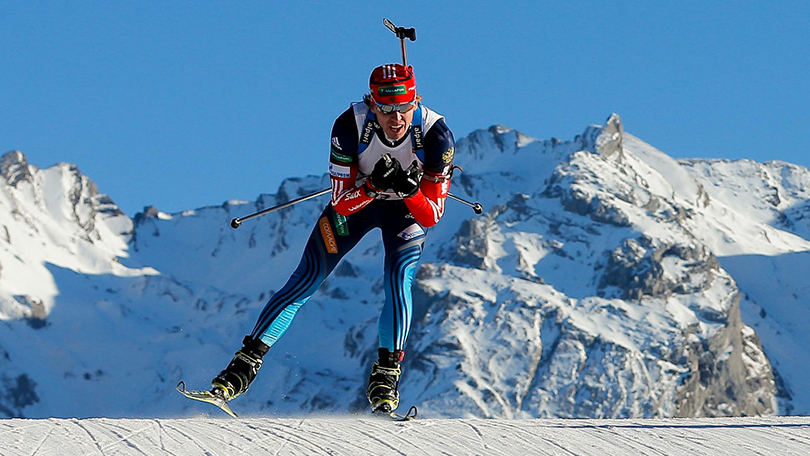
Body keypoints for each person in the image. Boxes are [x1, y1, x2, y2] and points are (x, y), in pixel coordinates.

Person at [211, 63, 455, 414]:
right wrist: (372, 186)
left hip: (405, 210)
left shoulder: (436, 136)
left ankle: (386, 378)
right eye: (386, 109)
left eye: (404, 107)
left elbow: (432, 214)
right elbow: (341, 202)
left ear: (416, 101)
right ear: (372, 104)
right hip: (358, 204)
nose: (396, 118)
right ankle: (240, 370)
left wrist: (410, 190)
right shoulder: (349, 125)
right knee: (305, 280)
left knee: (398, 281)